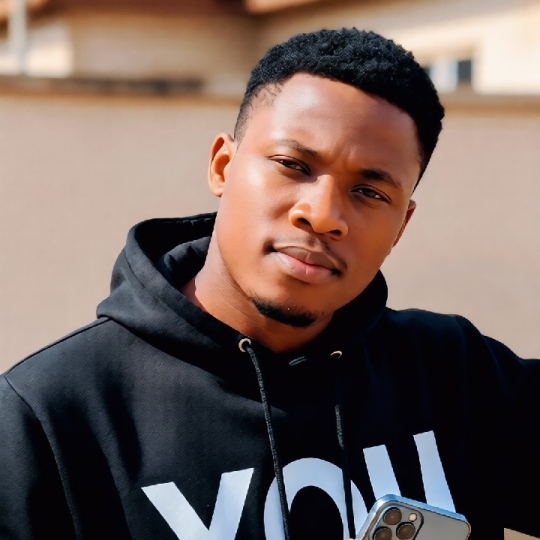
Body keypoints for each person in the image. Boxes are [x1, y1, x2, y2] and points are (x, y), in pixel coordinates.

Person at [1, 28, 538, 540]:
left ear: (402, 225)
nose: (322, 214)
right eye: (292, 164)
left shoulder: (456, 373)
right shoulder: (46, 416)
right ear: (223, 166)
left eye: (370, 193)